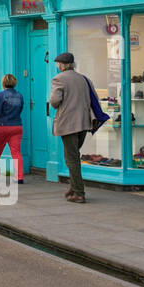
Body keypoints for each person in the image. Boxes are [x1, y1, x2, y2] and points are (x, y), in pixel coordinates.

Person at [49, 52, 97, 203]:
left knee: (72, 158)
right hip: (84, 123)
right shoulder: (84, 79)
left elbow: (55, 101)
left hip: (69, 123)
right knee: (74, 155)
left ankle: (79, 192)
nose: (58, 67)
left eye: (58, 64)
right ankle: (73, 186)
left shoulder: (59, 79)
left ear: (62, 65)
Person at [0, 73, 26, 184]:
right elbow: (20, 110)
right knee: (16, 152)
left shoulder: (1, 95)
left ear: (3, 83)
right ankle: (19, 177)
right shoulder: (20, 95)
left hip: (2, 126)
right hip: (17, 126)